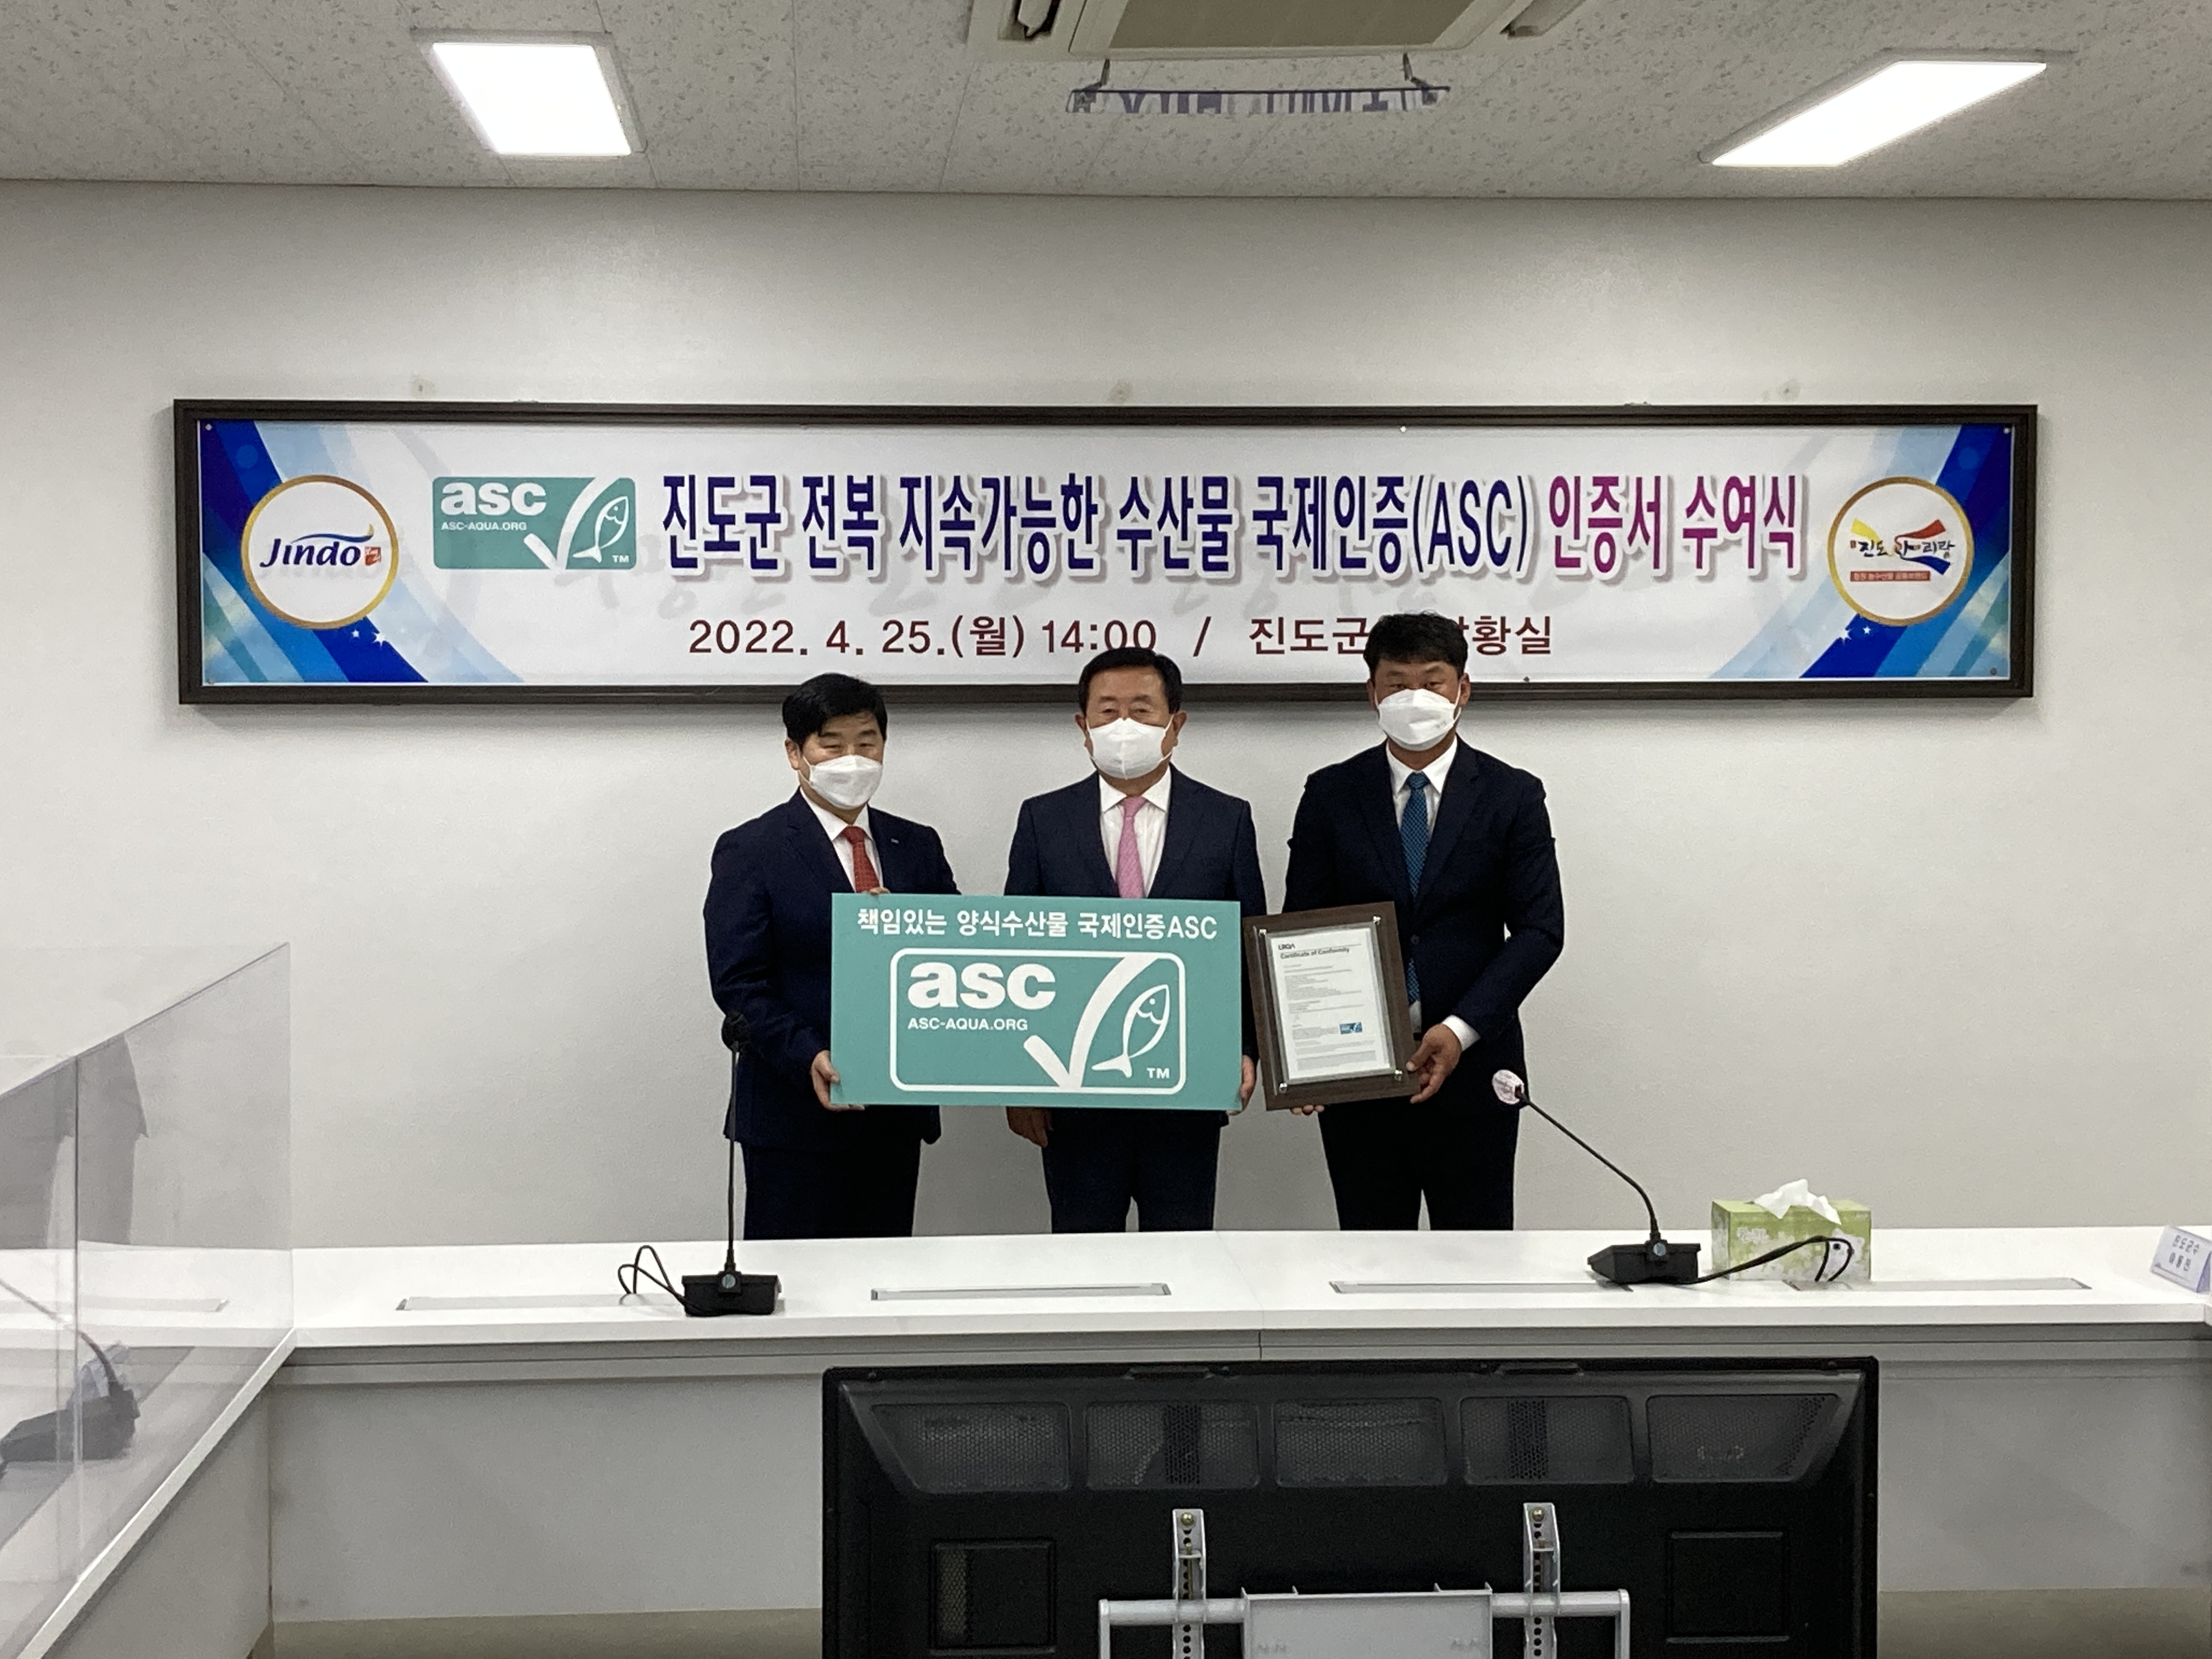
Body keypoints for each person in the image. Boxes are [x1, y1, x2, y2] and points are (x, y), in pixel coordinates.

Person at [1283, 612, 1565, 1231]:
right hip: (1359, 1072)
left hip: (1475, 1067)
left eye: (1432, 683)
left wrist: (1459, 1030)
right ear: (1372, 692)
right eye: (1397, 683)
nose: (1415, 698)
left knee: (1478, 1259)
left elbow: (1540, 930)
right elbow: (1302, 930)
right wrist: (1305, 1053)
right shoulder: (1331, 794)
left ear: (1463, 689)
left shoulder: (1512, 795)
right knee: (1369, 1254)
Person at [1003, 646, 1266, 1232]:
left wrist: (1247, 1047)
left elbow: (1249, 944)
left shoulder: (1225, 819)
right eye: (1108, 711)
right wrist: (1019, 1084)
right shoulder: (1044, 820)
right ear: (1084, 727)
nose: (1124, 725)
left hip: (1188, 1089)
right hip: (1074, 1095)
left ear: (1176, 723)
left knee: (1183, 1253)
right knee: (1083, 1258)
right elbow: (1019, 952)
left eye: (1142, 710)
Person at [704, 673, 959, 1239]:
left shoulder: (917, 844)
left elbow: (958, 956)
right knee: (796, 1279)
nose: (852, 759)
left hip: (893, 1113)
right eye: (832, 744)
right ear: (795, 753)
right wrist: (809, 1055)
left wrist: (910, 930)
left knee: (882, 1279)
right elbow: (741, 984)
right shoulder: (752, 848)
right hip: (794, 1112)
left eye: (867, 743)